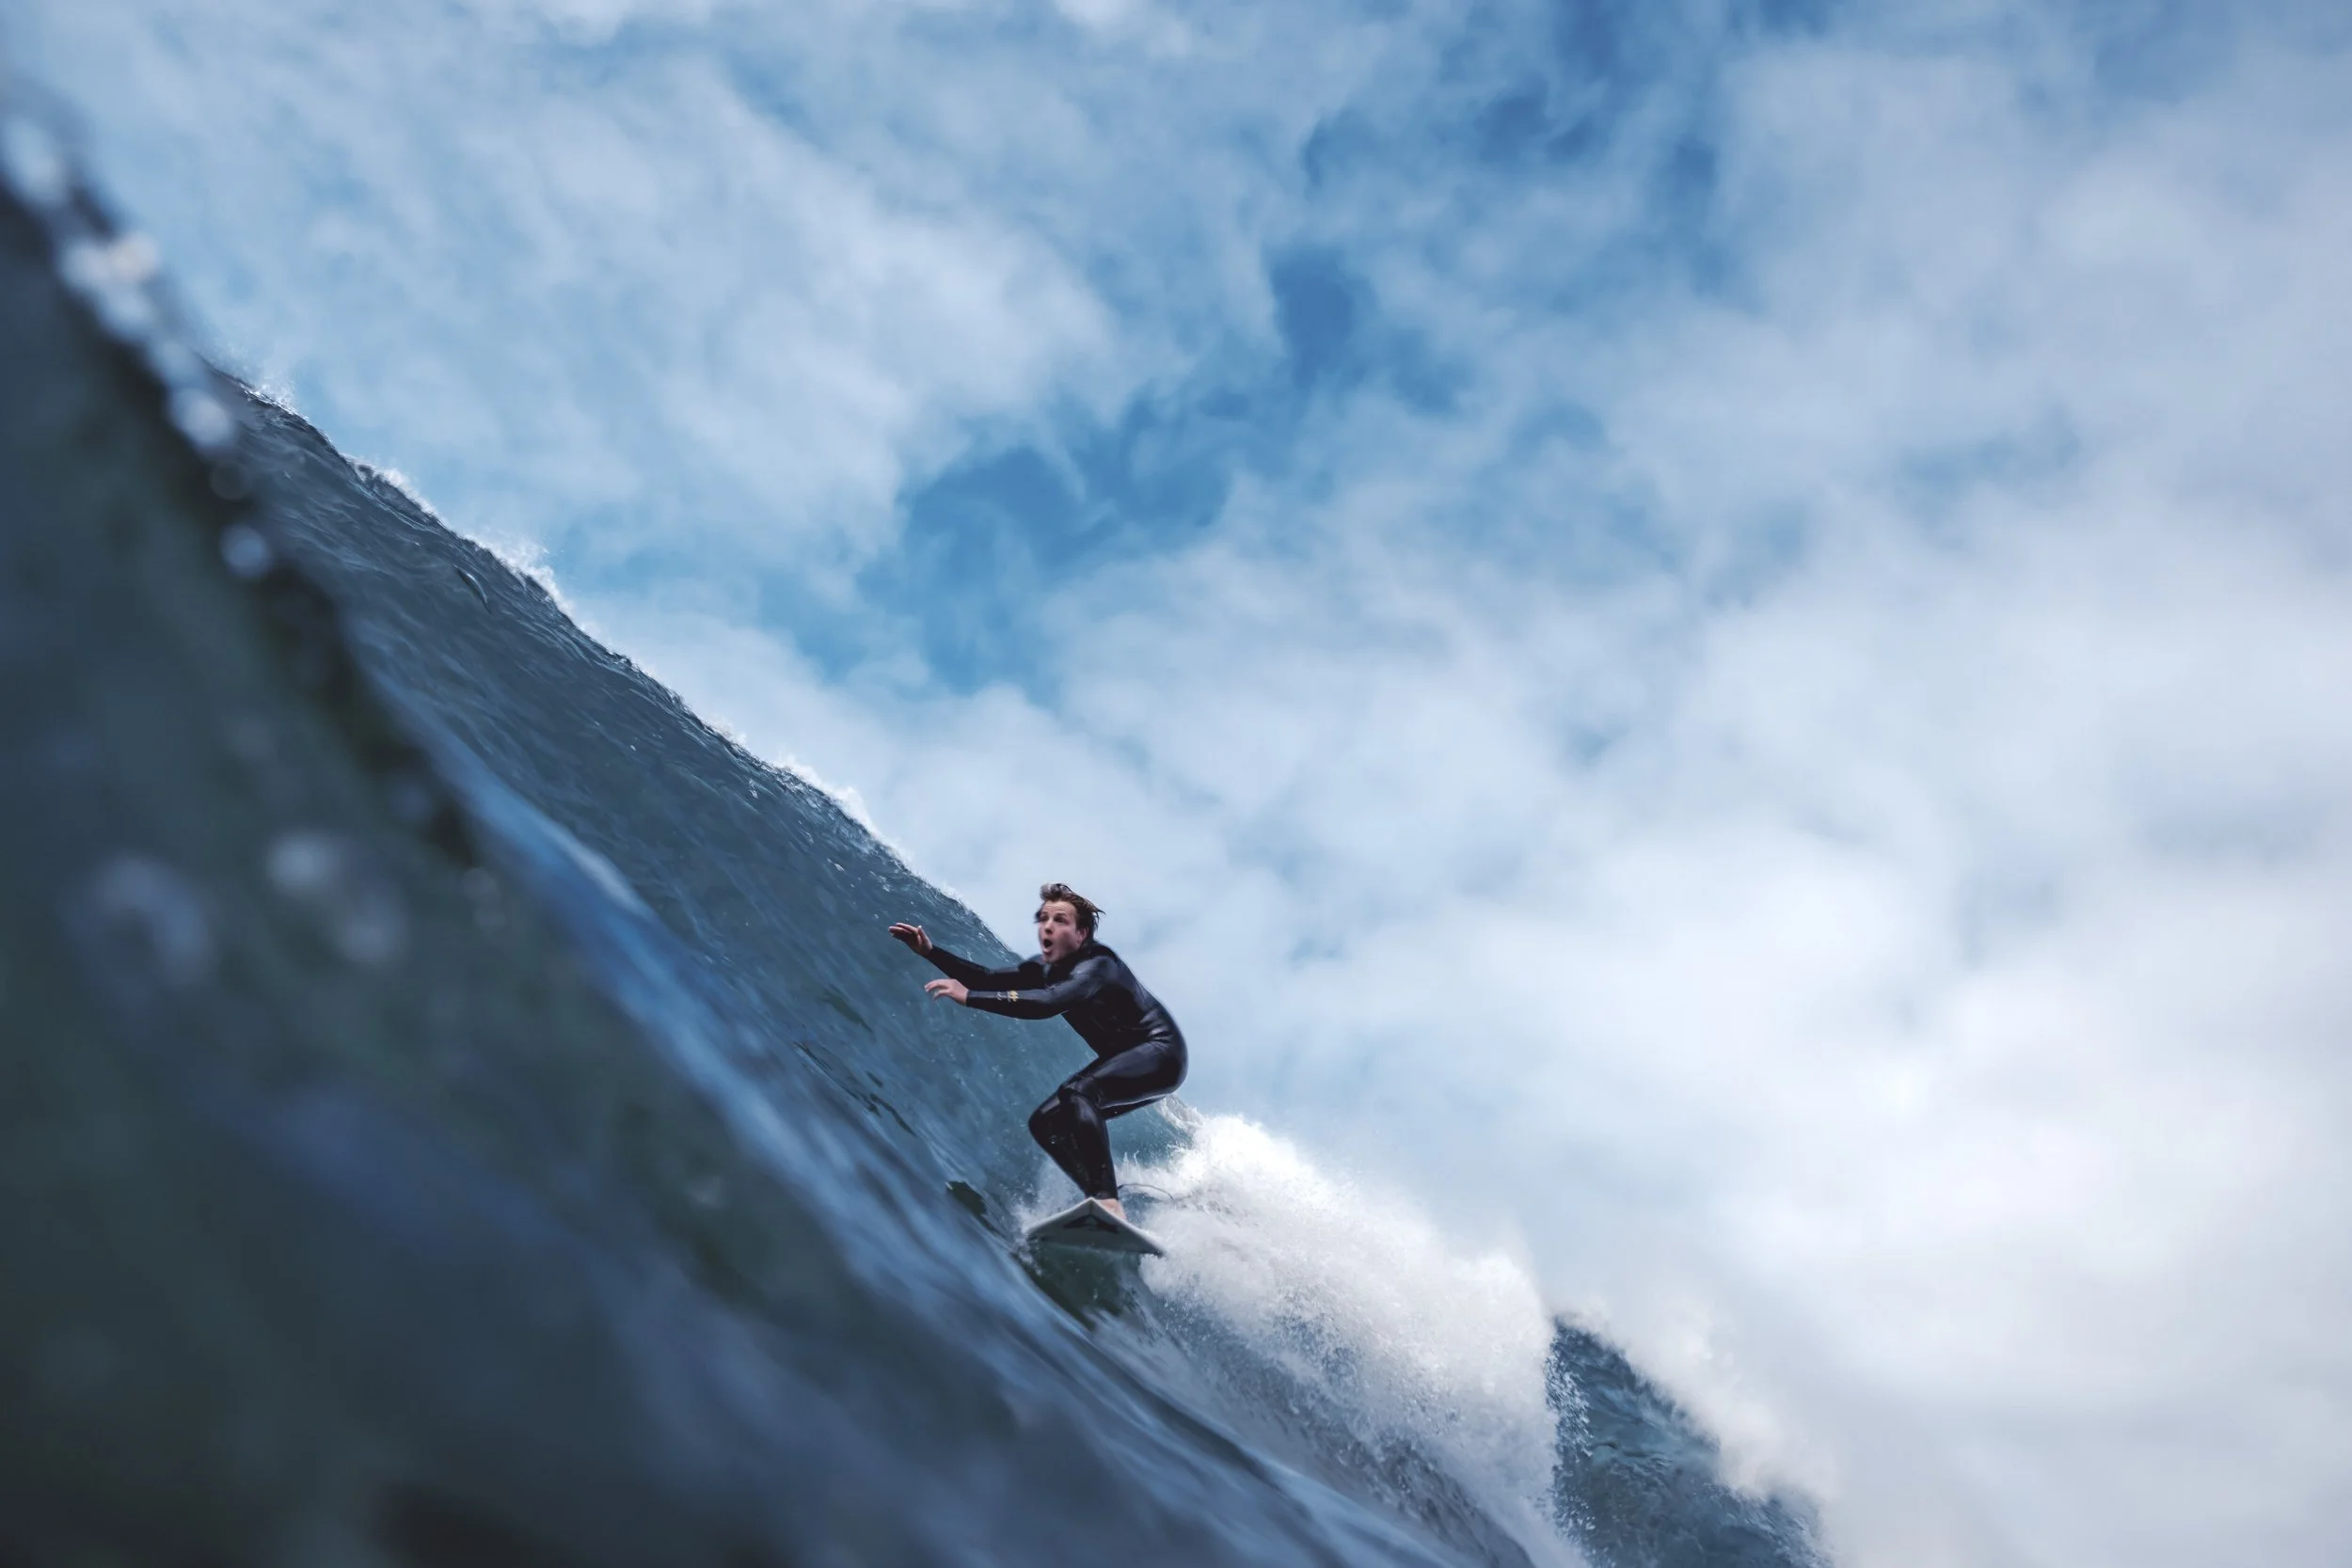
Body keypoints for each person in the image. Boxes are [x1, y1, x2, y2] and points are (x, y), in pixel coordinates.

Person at [889, 883, 1185, 1221]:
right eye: (1043, 918)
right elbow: (987, 977)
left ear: (1081, 933)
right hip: (1134, 1058)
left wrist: (969, 997)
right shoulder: (1045, 971)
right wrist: (931, 952)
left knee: (1078, 1094)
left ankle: (1107, 1201)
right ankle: (1104, 1204)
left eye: (1060, 920)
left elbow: (1047, 1003)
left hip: (1161, 1054)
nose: (1047, 925)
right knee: (1047, 1123)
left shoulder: (1097, 966)